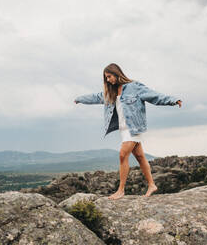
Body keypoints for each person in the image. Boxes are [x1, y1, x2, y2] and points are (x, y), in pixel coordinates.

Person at [74, 63, 182, 200]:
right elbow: (96, 97)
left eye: (109, 77)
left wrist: (172, 100)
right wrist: (80, 99)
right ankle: (152, 184)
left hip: (134, 128)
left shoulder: (134, 87)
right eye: (106, 78)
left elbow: (153, 95)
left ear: (117, 74)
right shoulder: (111, 92)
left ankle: (121, 190)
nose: (108, 80)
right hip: (124, 129)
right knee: (140, 157)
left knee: (122, 155)